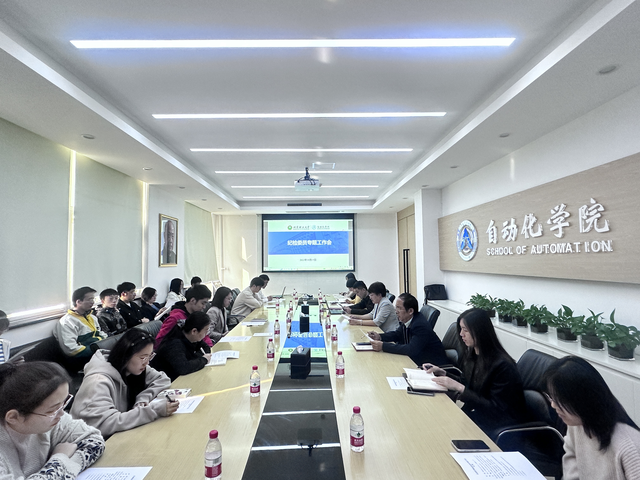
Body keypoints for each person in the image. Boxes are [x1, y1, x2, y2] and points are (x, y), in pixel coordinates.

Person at [423, 308, 527, 439]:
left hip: (497, 425)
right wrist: (443, 373)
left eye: (465, 330)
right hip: (477, 415)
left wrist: (460, 388)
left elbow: (496, 409)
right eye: (461, 329)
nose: (461, 334)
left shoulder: (503, 366)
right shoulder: (473, 355)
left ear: (480, 331)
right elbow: (467, 383)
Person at [0, 361, 105, 479]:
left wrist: (62, 469)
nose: (61, 414)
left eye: (63, 403)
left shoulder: (51, 421)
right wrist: (60, 458)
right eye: (52, 410)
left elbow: (94, 441)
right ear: (13, 417)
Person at [544, 356, 640, 480]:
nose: (553, 405)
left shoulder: (629, 447)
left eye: (559, 400)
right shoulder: (577, 425)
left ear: (584, 400)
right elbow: (571, 467)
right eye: (551, 397)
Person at [70, 329, 177, 438]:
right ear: (126, 354)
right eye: (143, 357)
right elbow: (106, 423)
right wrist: (154, 410)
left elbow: (162, 379)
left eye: (150, 356)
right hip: (87, 440)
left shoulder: (133, 367)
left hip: (118, 435)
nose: (147, 362)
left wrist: (143, 398)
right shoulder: (98, 382)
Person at [368, 293, 448, 366]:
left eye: (399, 308)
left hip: (432, 365)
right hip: (417, 360)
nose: (396, 311)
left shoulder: (420, 325)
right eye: (396, 307)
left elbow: (411, 349)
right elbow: (397, 334)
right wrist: (380, 336)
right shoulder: (409, 319)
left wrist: (383, 346)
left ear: (410, 311)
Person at [151, 312, 212, 381]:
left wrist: (194, 359)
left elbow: (206, 348)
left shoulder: (192, 336)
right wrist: (203, 359)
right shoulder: (174, 343)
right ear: (194, 331)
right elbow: (183, 368)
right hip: (165, 380)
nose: (206, 333)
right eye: (206, 330)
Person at [53, 287, 107, 359]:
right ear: (78, 302)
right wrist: (96, 349)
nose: (93, 302)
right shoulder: (67, 322)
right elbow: (71, 349)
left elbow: (101, 334)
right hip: (83, 358)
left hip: (97, 353)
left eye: (93, 299)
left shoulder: (92, 317)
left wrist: (105, 343)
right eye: (90, 299)